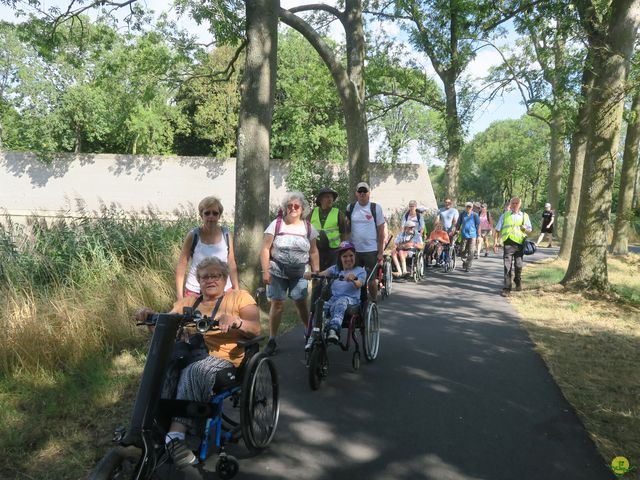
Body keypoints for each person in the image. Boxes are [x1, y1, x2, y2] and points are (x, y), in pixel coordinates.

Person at [135, 257, 261, 466]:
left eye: (215, 275)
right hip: (189, 356)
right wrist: (149, 316)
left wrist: (236, 321)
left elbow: (256, 328)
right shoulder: (187, 303)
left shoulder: (239, 297)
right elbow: (164, 325)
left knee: (195, 372)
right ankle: (154, 430)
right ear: (198, 281)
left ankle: (176, 436)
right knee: (162, 369)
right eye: (204, 277)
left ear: (225, 278)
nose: (210, 280)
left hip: (224, 359)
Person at [260, 192, 320, 355]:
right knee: (277, 304)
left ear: (302, 209)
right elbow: (265, 249)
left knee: (300, 303)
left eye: (296, 206)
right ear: (285, 208)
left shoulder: (308, 227)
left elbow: (314, 252)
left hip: (300, 273)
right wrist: (265, 271)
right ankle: (272, 339)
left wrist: (316, 272)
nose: (293, 208)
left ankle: (309, 333)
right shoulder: (276, 225)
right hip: (277, 272)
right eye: (290, 206)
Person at [175, 196, 239, 298]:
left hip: (224, 290)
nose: (211, 217)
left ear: (219, 215)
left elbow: (231, 263)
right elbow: (182, 265)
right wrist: (179, 296)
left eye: (215, 213)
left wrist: (236, 288)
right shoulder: (193, 235)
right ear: (201, 215)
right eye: (207, 213)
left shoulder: (226, 234)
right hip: (195, 291)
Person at [304, 241, 365, 344]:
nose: (348, 259)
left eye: (351, 255)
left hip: (352, 300)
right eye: (344, 256)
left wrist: (354, 279)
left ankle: (334, 329)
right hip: (334, 299)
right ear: (340, 258)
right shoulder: (335, 269)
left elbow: (360, 283)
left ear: (355, 256)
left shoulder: (360, 271)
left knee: (341, 301)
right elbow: (322, 274)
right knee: (320, 305)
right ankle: (316, 333)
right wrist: (311, 274)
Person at [345, 182, 386, 300]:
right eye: (360, 191)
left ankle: (373, 302)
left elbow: (381, 231)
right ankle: (357, 303)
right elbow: (347, 230)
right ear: (356, 194)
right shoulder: (350, 207)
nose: (362, 194)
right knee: (354, 278)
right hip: (355, 251)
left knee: (371, 280)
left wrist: (380, 252)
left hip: (371, 250)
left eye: (365, 191)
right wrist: (347, 248)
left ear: (369, 193)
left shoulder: (375, 208)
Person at [494, 197, 532, 297]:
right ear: (510, 204)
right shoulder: (505, 215)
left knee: (519, 265)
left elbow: (530, 230)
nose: (515, 205)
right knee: (507, 267)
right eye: (513, 203)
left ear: (520, 205)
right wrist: (495, 242)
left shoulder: (524, 216)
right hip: (508, 244)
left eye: (517, 203)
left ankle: (517, 280)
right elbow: (497, 229)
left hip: (520, 245)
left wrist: (525, 228)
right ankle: (507, 288)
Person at [309, 186, 348, 271]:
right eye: (327, 197)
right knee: (317, 276)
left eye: (331, 197)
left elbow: (344, 233)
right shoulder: (312, 212)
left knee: (332, 275)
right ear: (320, 199)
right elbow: (306, 229)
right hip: (316, 250)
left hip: (333, 251)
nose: (330, 199)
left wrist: (343, 250)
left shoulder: (338, 213)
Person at [457, 202, 480, 272]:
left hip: (473, 235)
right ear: (465, 207)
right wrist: (457, 230)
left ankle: (468, 265)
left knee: (471, 251)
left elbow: (478, 226)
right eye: (467, 207)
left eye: (470, 207)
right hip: (464, 235)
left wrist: (478, 236)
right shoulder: (462, 214)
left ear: (472, 208)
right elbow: (458, 223)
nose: (468, 208)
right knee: (462, 250)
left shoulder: (475, 215)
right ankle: (464, 261)